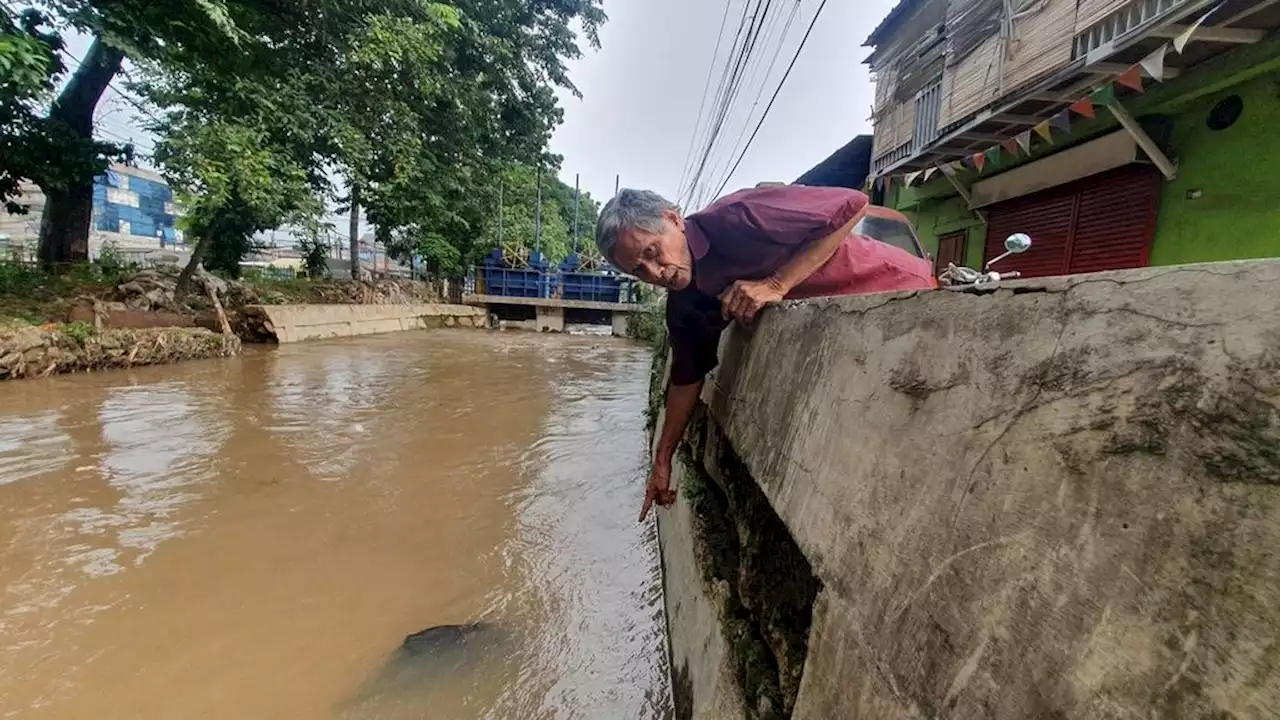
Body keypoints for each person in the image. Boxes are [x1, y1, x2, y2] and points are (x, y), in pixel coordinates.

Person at [594, 184, 938, 521]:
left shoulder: (739, 215)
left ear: (674, 219)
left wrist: (777, 284)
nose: (655, 273)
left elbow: (853, 204)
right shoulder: (683, 306)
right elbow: (687, 377)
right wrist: (662, 460)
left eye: (652, 252)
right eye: (638, 270)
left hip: (900, 289)